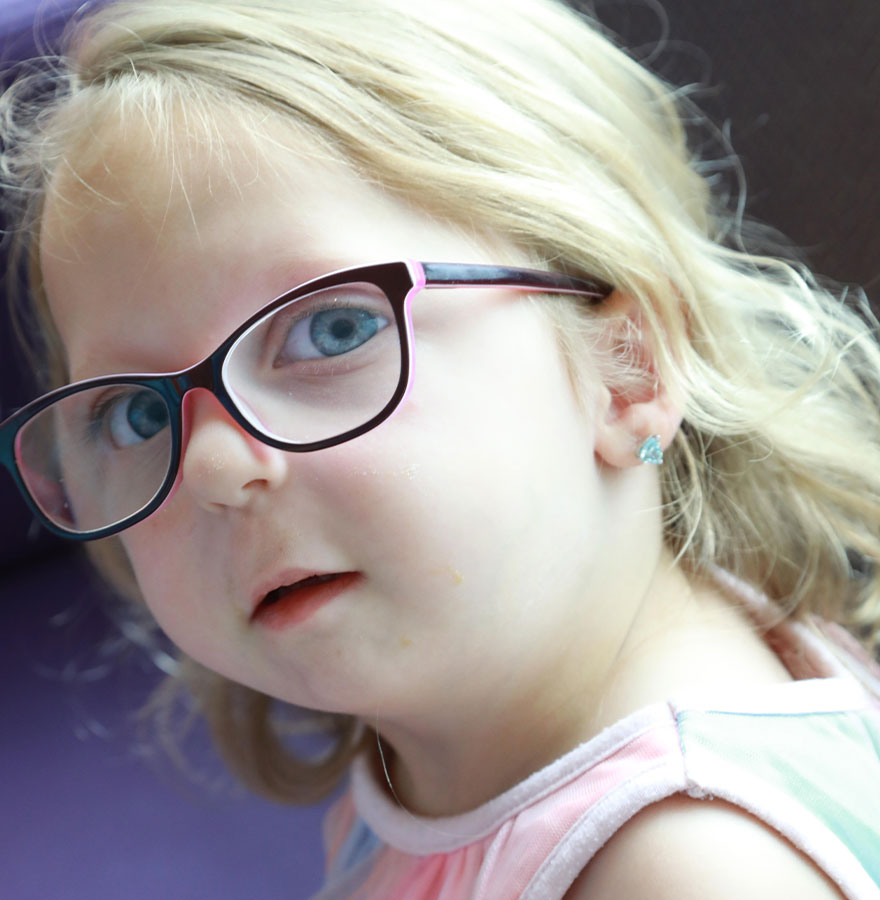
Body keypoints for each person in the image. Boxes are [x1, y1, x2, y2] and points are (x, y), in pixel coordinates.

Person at [1, 0, 879, 896]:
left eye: (332, 329)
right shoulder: (472, 707)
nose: (216, 468)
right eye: (136, 417)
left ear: (626, 372)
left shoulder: (693, 864)